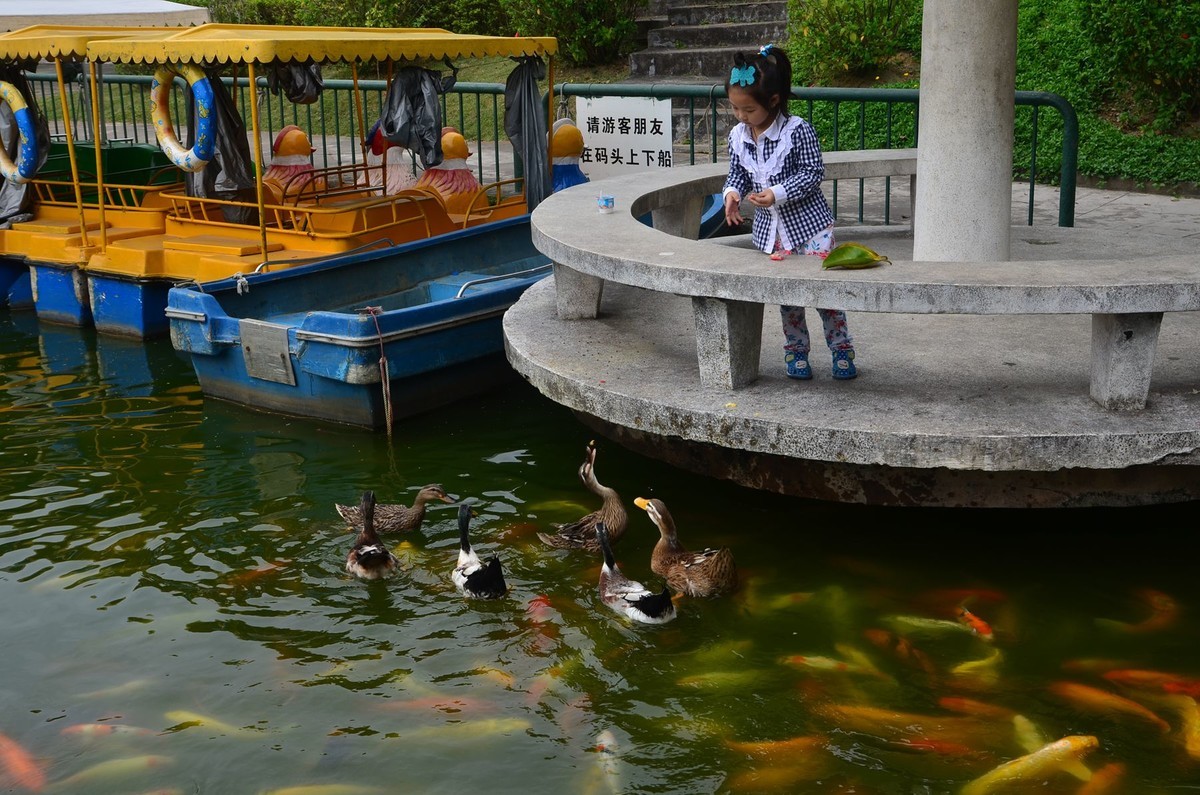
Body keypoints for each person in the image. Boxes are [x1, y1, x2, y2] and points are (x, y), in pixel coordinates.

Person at [721, 44, 856, 381]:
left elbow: (812, 173)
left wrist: (777, 193)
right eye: (735, 108)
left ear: (773, 100)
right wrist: (732, 193)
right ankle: (796, 352)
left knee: (824, 292)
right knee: (787, 298)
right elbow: (737, 173)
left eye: (748, 109)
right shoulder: (739, 136)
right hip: (773, 234)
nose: (741, 116)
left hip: (811, 229)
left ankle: (841, 349)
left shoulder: (797, 131)